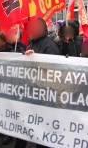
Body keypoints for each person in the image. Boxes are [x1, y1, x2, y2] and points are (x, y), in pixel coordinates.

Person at [17, 17, 60, 148]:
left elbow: (54, 75)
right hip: (31, 94)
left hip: (43, 99)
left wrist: (36, 61)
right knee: (23, 128)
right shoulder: (32, 43)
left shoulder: (50, 46)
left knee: (41, 133)